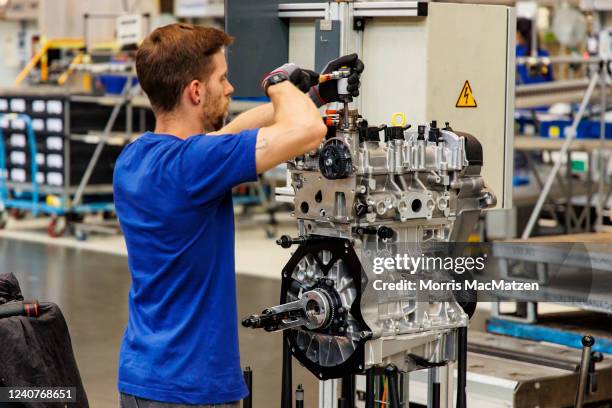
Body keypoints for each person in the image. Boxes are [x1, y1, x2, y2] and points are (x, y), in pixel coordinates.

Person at [113, 23, 363, 407]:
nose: (229, 89)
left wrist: (313, 94)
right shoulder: (194, 164)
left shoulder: (136, 158)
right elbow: (308, 131)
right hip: (191, 389)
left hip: (142, 377)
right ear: (196, 91)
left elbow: (231, 133)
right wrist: (278, 83)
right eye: (222, 79)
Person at [516, 17, 554, 85]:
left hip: (523, 92)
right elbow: (549, 78)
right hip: (543, 92)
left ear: (518, 33)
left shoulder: (516, 52)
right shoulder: (544, 54)